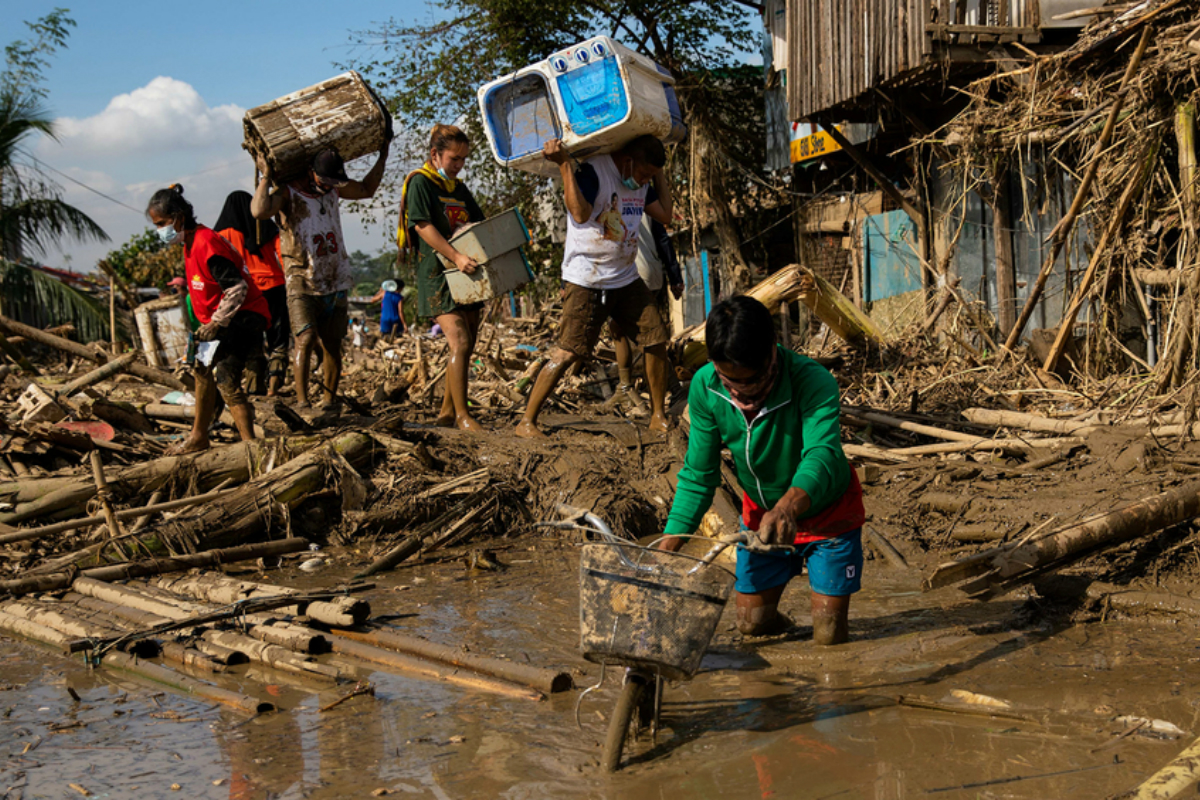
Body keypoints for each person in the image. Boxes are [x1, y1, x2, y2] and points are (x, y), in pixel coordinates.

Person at [656, 296, 866, 645]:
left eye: (752, 382)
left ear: (773, 350)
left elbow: (822, 454)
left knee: (829, 635)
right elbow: (699, 474)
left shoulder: (812, 381)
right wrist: (669, 545)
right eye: (730, 381)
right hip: (762, 516)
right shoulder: (706, 387)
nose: (740, 392)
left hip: (827, 512)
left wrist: (787, 507)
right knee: (751, 625)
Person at [515, 135, 674, 438]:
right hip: (587, 278)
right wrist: (564, 166)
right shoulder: (594, 172)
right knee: (569, 351)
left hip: (625, 277)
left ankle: (658, 416)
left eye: (649, 177)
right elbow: (579, 213)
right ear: (627, 159)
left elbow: (664, 214)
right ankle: (527, 421)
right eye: (643, 174)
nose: (643, 181)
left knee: (655, 338)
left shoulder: (640, 180)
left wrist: (658, 174)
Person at [251, 138, 390, 409]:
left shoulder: (333, 190)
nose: (328, 184)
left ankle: (328, 400)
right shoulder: (288, 193)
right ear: (310, 172)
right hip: (301, 280)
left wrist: (382, 156)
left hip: (336, 278)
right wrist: (266, 176)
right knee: (305, 338)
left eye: (333, 180)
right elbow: (259, 210)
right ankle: (303, 402)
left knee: (332, 344)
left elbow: (366, 189)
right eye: (324, 178)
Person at [146, 185, 271, 454]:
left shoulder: (205, 242)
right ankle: (208, 437)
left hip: (241, 316)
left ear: (178, 217)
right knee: (209, 373)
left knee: (218, 375)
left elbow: (237, 288)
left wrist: (215, 322)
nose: (160, 230)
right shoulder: (189, 244)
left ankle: (240, 443)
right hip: (222, 321)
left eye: (162, 223)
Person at [396, 124, 486, 432]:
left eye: (463, 159)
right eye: (453, 158)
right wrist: (456, 255)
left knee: (468, 343)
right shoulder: (420, 183)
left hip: (466, 273)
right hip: (437, 273)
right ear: (435, 155)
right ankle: (463, 415)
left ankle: (448, 412)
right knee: (459, 341)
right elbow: (422, 227)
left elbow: (478, 222)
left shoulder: (459, 189)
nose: (459, 165)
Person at [215, 190, 289, 396]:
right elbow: (283, 255)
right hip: (274, 287)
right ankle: (274, 386)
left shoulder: (221, 235)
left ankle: (254, 387)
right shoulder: (265, 227)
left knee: (252, 342)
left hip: (246, 294)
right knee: (278, 341)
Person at [609, 215, 685, 413]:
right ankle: (625, 386)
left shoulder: (621, 192)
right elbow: (662, 239)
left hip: (632, 273)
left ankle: (674, 390)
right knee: (619, 329)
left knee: (646, 336)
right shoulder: (643, 194)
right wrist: (674, 275)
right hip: (645, 271)